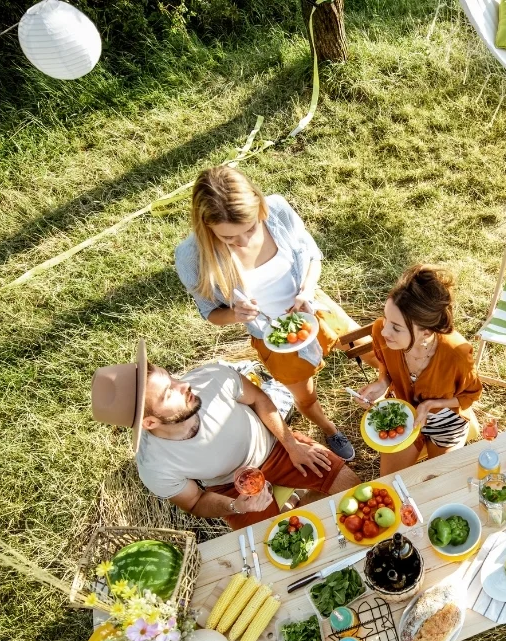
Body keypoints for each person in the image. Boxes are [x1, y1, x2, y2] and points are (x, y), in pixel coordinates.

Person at [174, 165, 371, 461]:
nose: (243, 242)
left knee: (371, 351)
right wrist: (235, 315)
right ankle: (330, 429)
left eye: (250, 228)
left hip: (313, 308)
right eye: (229, 238)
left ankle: (394, 394)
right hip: (275, 339)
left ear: (259, 204)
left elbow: (312, 255)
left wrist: (306, 290)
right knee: (305, 396)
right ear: (206, 226)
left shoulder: (277, 209)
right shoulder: (191, 256)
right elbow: (210, 313)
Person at [91, 340, 360, 529]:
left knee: (353, 489)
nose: (183, 384)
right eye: (168, 393)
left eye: (170, 377)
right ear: (149, 422)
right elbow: (195, 502)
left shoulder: (212, 378)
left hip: (275, 448)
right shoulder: (154, 466)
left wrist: (291, 444)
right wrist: (237, 507)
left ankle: (295, 501)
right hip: (229, 488)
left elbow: (260, 401)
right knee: (269, 549)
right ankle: (292, 503)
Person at [356, 266, 483, 475]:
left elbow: (471, 395)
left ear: (426, 332)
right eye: (386, 318)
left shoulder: (457, 354)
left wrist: (433, 404)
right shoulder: (381, 330)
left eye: (396, 327)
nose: (384, 330)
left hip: (444, 420)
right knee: (388, 481)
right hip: (402, 415)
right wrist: (382, 382)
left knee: (437, 481)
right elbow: (385, 363)